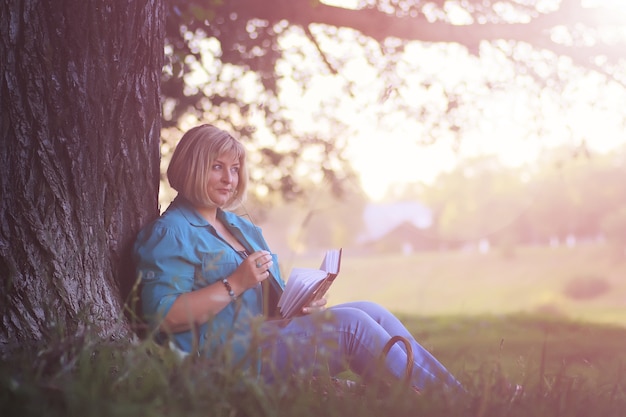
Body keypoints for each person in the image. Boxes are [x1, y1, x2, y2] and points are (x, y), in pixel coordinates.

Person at [134, 124, 463, 393]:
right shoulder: (171, 233)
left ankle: (456, 395)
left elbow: (259, 303)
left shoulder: (239, 226)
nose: (228, 179)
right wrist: (234, 283)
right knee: (352, 327)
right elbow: (164, 316)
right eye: (217, 167)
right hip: (227, 361)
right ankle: (448, 403)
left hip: (265, 338)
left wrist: (297, 304)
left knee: (368, 310)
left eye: (234, 169)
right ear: (191, 167)